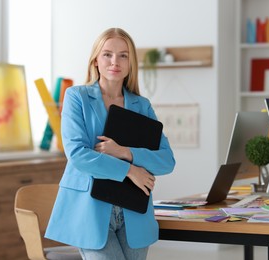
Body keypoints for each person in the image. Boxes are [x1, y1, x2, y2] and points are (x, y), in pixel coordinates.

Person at [45, 28, 176, 260]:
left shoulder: (141, 105)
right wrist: (130, 170)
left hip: (134, 213)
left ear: (130, 62)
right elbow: (78, 155)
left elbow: (166, 161)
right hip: (90, 210)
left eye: (123, 55)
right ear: (96, 60)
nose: (115, 61)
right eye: (107, 54)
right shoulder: (77, 97)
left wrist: (123, 151)